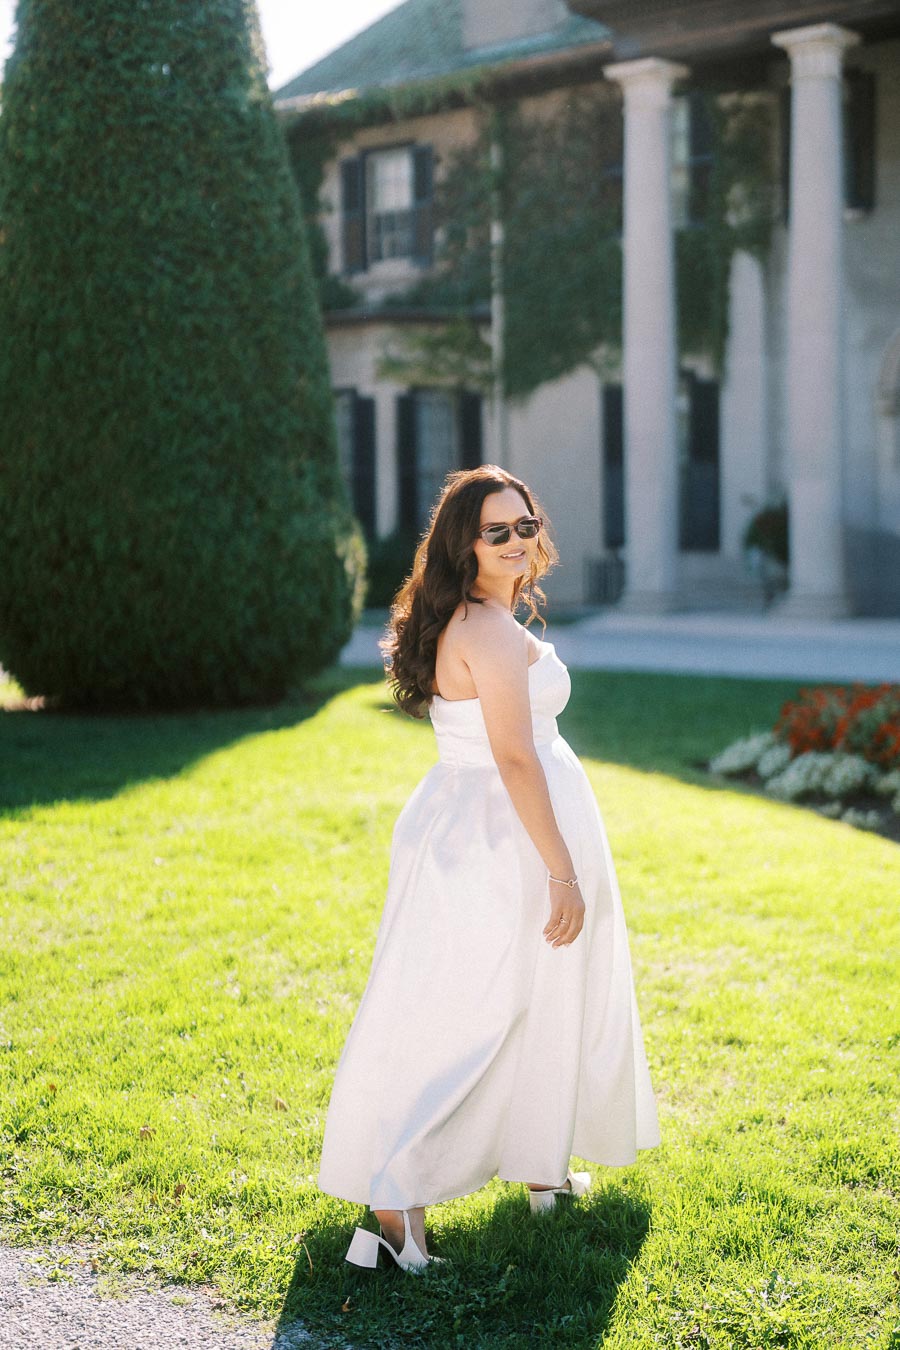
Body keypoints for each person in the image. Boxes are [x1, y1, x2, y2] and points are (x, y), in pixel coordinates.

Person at [318, 465, 659, 1270]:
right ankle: (397, 1201)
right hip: (503, 838)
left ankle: (541, 1164)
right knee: (483, 1011)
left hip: (475, 827)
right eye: (495, 531)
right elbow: (512, 756)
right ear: (463, 547)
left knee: (538, 998)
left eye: (525, 525)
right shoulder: (491, 631)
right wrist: (562, 872)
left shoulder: (474, 618)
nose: (515, 541)